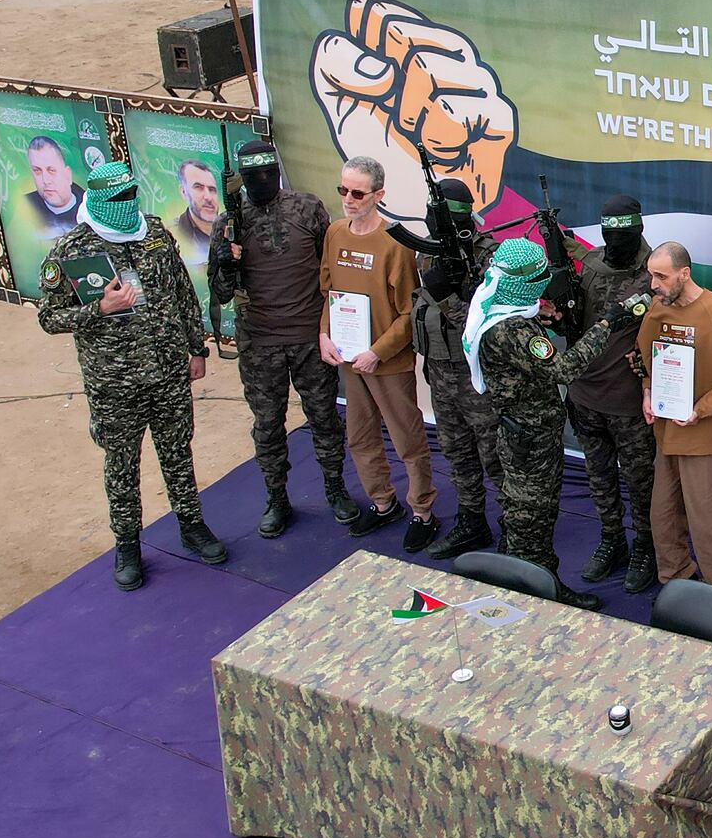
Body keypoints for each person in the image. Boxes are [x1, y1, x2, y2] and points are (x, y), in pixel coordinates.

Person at [37, 160, 225, 590]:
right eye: (118, 199)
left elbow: (181, 291)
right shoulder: (72, 251)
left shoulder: (154, 233)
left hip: (168, 372)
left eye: (131, 196)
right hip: (114, 383)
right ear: (99, 201)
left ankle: (191, 524)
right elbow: (49, 317)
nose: (128, 205)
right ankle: (127, 544)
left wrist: (196, 348)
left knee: (178, 451)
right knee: (122, 465)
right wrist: (97, 309)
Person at [468, 238, 648, 609]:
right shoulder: (514, 332)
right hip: (530, 441)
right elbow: (564, 368)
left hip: (521, 432)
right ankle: (538, 589)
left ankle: (522, 576)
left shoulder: (496, 308)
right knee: (534, 514)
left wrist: (539, 314)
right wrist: (607, 324)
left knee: (521, 511)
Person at [206, 140, 356, 538]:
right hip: (260, 343)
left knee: (325, 418)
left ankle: (335, 488)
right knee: (268, 425)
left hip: (310, 338)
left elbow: (332, 268)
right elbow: (220, 294)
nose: (263, 182)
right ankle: (277, 498)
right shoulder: (227, 224)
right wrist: (225, 260)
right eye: (253, 177)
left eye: (268, 173)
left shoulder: (307, 208)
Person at [318, 155, 440, 552]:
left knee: (407, 439)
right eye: (343, 191)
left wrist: (378, 351)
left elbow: (409, 312)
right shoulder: (335, 233)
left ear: (379, 195)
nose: (348, 200)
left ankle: (422, 511)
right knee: (360, 435)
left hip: (387, 363)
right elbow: (328, 293)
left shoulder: (395, 244)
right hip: (349, 360)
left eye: (357, 193)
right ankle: (383, 501)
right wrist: (324, 334)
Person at [636, 241, 712, 596]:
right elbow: (647, 361)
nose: (653, 284)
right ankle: (676, 582)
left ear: (684, 274)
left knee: (709, 520)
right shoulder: (657, 311)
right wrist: (647, 392)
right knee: (663, 515)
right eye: (651, 275)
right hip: (668, 431)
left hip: (706, 433)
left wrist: (700, 409)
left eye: (662, 276)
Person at [405, 178, 504, 560]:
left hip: (477, 374)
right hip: (441, 369)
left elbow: (489, 326)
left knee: (493, 454)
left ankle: (514, 525)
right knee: (457, 451)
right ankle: (472, 521)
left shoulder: (490, 257)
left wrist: (449, 296)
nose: (433, 221)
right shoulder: (427, 253)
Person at [570, 196, 659, 593]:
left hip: (630, 402)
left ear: (638, 229)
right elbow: (578, 321)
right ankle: (612, 540)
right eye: (608, 233)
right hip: (587, 395)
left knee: (641, 481)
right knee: (599, 476)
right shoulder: (590, 264)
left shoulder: (657, 271)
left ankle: (646, 546)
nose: (614, 241)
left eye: (622, 233)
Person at [23, 136, 83, 240]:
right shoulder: (23, 206)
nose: (45, 180)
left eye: (51, 170)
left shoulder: (91, 208)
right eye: (37, 171)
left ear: (68, 175)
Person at [171, 160, 219, 266]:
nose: (208, 197)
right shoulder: (171, 233)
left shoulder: (230, 227)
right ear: (184, 192)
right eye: (198, 187)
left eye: (212, 189)